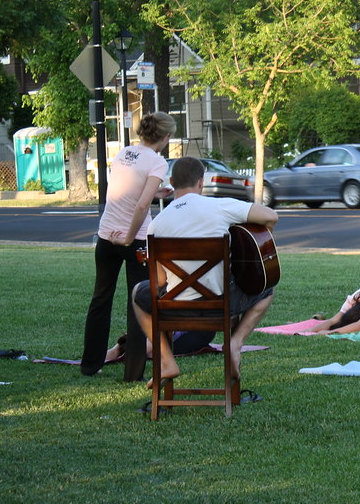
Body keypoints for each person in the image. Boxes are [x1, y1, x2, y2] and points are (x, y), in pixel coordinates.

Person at [131, 156, 279, 385]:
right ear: (201, 182)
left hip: (175, 310)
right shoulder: (218, 206)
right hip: (222, 306)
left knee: (138, 293)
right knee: (267, 289)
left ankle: (167, 362)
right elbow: (271, 216)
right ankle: (235, 342)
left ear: (171, 182)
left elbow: (159, 281)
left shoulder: (156, 224)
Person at [81, 112, 176, 380]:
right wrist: (127, 236)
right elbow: (142, 205)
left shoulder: (125, 153)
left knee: (101, 298)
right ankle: (132, 373)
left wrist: (156, 191)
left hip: (105, 235)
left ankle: (90, 365)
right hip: (134, 240)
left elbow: (125, 191)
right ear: (166, 137)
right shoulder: (158, 162)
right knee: (138, 303)